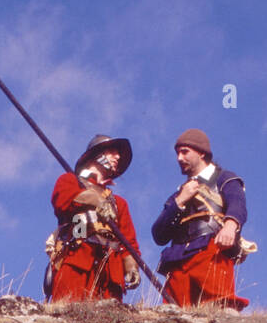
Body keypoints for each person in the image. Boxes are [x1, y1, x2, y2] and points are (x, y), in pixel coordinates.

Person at [151, 129, 251, 310]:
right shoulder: (178, 194)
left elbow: (237, 204)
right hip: (178, 259)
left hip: (212, 250)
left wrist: (230, 226)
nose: (179, 158)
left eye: (184, 152)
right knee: (174, 318)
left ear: (201, 152)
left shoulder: (225, 178)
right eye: (177, 153)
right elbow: (159, 235)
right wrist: (180, 200)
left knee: (219, 309)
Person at [46, 135, 141, 302]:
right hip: (78, 260)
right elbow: (63, 202)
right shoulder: (69, 180)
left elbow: (128, 241)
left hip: (109, 272)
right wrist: (94, 200)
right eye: (112, 152)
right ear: (97, 154)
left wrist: (131, 265)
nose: (117, 157)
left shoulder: (119, 203)